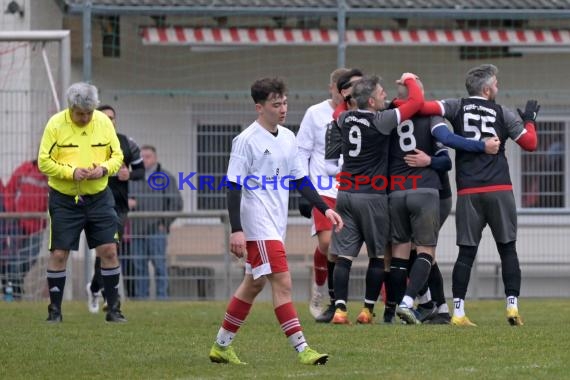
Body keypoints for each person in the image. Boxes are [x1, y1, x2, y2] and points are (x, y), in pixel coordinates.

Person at [208, 77, 343, 366]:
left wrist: (325, 209)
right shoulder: (246, 140)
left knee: (253, 284)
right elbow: (233, 185)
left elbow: (300, 179)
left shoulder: (288, 137)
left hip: (275, 223)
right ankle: (303, 349)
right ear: (259, 107)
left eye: (284, 102)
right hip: (258, 224)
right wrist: (237, 230)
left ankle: (221, 346)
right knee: (283, 282)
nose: (283, 109)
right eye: (275, 104)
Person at [421, 64, 539, 326]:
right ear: (486, 89)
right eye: (496, 84)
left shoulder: (455, 106)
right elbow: (530, 143)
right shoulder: (502, 112)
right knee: (507, 249)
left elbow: (427, 109)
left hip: (469, 191)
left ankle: (459, 312)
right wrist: (529, 120)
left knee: (466, 253)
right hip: (499, 189)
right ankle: (512, 307)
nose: (498, 88)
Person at [386, 82, 500, 324]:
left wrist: (428, 161)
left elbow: (443, 161)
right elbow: (446, 153)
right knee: (423, 253)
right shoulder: (423, 117)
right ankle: (433, 307)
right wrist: (482, 146)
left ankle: (425, 306)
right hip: (423, 192)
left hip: (417, 194)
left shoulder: (390, 118)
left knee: (413, 252)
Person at [325, 73, 424, 325]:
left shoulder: (345, 118)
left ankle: (340, 309)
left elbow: (338, 111)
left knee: (344, 256)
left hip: (345, 194)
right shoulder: (382, 120)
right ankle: (367, 310)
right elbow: (416, 102)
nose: (385, 96)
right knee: (378, 256)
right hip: (372, 195)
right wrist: (410, 80)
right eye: (381, 93)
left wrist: (345, 96)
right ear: (370, 101)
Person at [37, 82, 125, 323]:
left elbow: (117, 157)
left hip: (99, 197)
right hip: (64, 199)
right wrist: (71, 172)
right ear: (70, 108)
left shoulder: (104, 122)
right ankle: (54, 311)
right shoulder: (55, 124)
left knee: (109, 250)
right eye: (80, 114)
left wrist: (104, 169)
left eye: (89, 113)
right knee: (58, 253)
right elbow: (43, 161)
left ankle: (114, 309)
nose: (85, 118)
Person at [296, 68, 349, 320]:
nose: (342, 92)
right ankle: (321, 289)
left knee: (366, 247)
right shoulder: (315, 114)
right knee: (328, 244)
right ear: (331, 87)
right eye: (338, 86)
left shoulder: (359, 113)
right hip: (323, 190)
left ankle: (380, 304)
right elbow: (301, 153)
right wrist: (304, 192)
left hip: (353, 189)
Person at [86, 104, 144, 312]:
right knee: (105, 250)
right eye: (105, 117)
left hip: (118, 208)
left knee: (109, 249)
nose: (109, 121)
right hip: (94, 203)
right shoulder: (87, 142)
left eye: (112, 117)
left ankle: (103, 293)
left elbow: (141, 171)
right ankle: (99, 290)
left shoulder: (127, 143)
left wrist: (129, 174)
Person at [129, 145, 183, 299]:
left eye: (148, 156)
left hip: (156, 231)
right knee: (139, 268)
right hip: (137, 231)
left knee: (159, 267)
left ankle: (162, 299)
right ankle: (141, 300)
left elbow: (176, 203)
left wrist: (164, 224)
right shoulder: (133, 178)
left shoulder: (165, 178)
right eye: (142, 157)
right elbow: (123, 199)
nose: (145, 160)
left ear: (155, 158)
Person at [2, 159, 48, 299]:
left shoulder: (51, 176)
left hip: (38, 225)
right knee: (13, 256)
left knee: (30, 257)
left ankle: (12, 284)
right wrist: (11, 214)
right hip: (18, 222)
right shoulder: (25, 169)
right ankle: (12, 290)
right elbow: (9, 191)